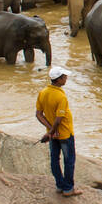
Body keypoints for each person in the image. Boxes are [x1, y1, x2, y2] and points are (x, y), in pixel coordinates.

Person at [37, 65, 83, 196]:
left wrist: (49, 132)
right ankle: (68, 189)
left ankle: (59, 185)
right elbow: (59, 119)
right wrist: (52, 131)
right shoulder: (60, 97)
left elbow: (38, 114)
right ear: (58, 80)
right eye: (64, 77)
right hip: (64, 134)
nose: (66, 78)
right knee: (69, 160)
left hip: (52, 135)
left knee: (54, 159)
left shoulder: (43, 92)